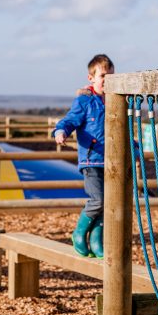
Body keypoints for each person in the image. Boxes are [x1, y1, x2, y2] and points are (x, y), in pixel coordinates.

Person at [54, 54, 114, 258]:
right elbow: (70, 120)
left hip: (112, 161)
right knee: (98, 199)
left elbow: (121, 131)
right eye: (103, 75)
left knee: (108, 202)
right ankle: (79, 233)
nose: (107, 80)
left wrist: (135, 148)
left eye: (111, 75)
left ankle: (97, 242)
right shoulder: (85, 101)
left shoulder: (115, 102)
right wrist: (61, 131)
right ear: (92, 78)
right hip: (91, 159)